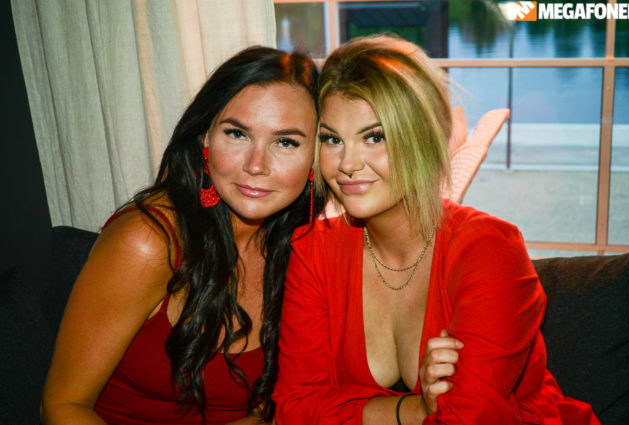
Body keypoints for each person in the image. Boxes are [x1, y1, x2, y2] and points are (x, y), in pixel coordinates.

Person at [273, 35, 600, 425]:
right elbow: (294, 409)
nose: (347, 163)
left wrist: (356, 410)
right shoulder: (313, 252)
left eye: (374, 137)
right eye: (332, 139)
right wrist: (415, 409)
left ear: (424, 139)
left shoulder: (489, 250)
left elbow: (469, 418)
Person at [40, 46, 319, 425]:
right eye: (237, 133)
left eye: (286, 142)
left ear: (315, 156)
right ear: (205, 137)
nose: (256, 165)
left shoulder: (309, 246)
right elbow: (61, 407)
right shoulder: (147, 241)